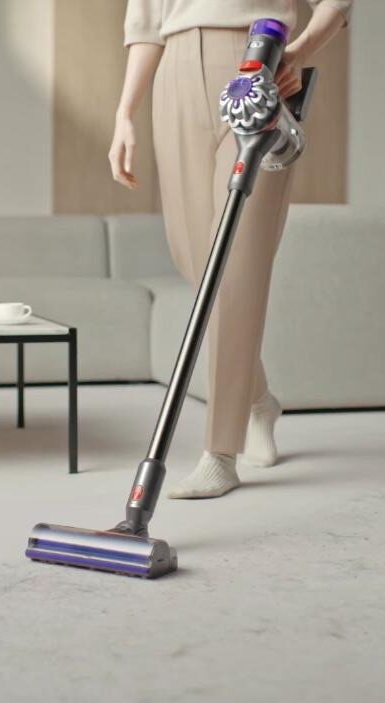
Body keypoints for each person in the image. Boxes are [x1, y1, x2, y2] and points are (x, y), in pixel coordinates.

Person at [109, 0, 353, 499]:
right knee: (193, 262)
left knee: (236, 264)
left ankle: (219, 453)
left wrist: (298, 52)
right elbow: (147, 24)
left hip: (257, 63)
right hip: (173, 76)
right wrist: (124, 114)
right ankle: (258, 399)